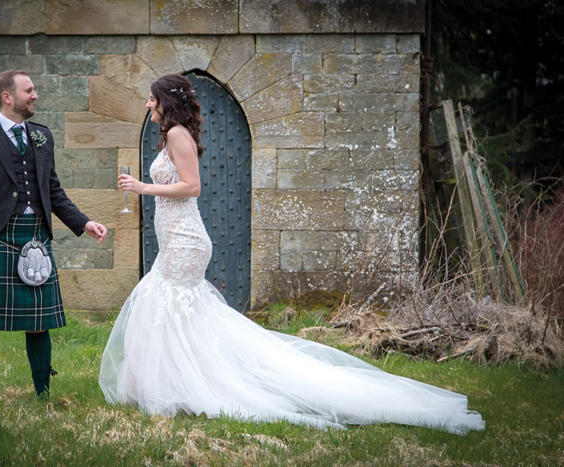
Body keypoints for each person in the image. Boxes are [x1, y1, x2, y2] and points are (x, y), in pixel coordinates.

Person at [99, 74, 485, 435]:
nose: (149, 106)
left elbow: (192, 187)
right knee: (170, 306)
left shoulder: (178, 135)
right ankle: (173, 384)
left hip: (185, 241)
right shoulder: (170, 136)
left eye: (152, 100)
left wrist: (142, 188)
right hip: (175, 240)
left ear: (166, 102)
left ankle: (191, 386)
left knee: (168, 302)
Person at [0, 69, 107, 400]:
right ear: (8, 97)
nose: (35, 95)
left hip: (35, 237)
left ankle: (43, 396)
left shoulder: (41, 136)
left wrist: (83, 223)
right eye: (29, 90)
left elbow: (52, 190)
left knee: (39, 320)